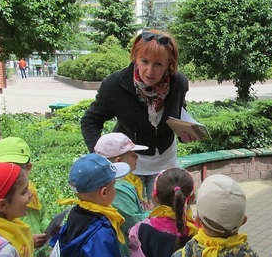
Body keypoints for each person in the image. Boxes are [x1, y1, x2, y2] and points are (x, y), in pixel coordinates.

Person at [81, 30, 193, 203]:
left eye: (158, 64)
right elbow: (90, 121)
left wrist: (186, 130)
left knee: (163, 216)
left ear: (169, 64)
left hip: (165, 162)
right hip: (129, 164)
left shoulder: (178, 83)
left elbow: (179, 110)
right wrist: (101, 157)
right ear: (135, 58)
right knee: (132, 219)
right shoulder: (114, 85)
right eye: (144, 62)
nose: (150, 71)